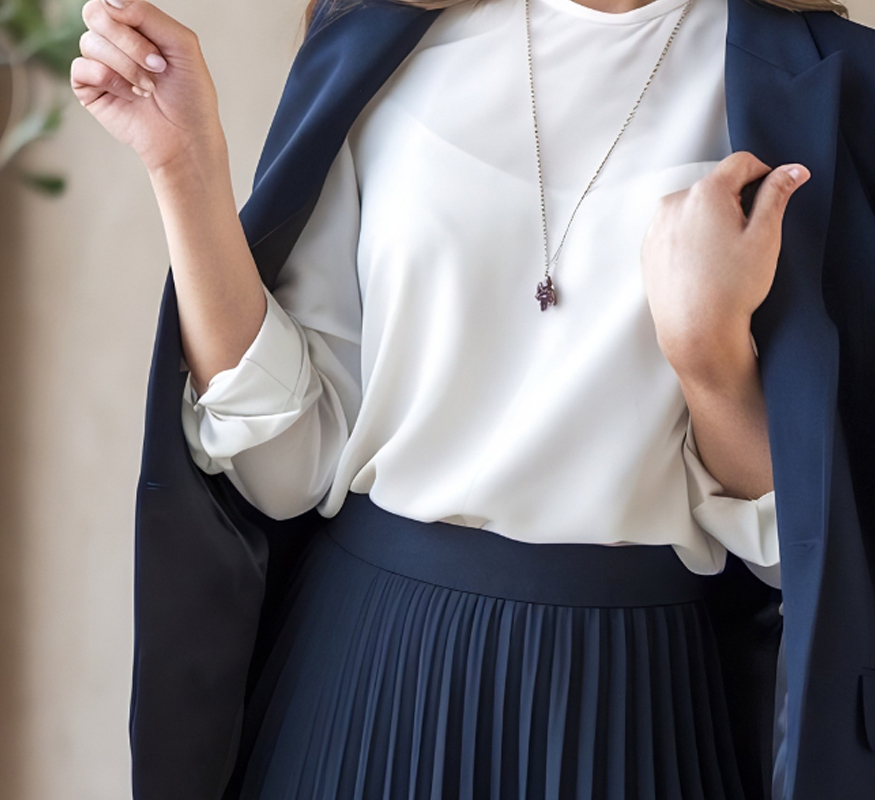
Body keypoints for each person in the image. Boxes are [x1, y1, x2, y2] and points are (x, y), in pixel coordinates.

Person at [72, 0, 875, 797]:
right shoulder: (386, 34)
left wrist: (708, 357)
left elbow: (804, 557)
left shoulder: (825, 80)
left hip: (632, 703)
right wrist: (186, 167)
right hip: (365, 679)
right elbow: (287, 467)